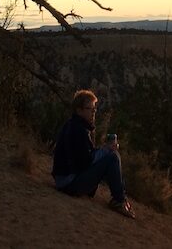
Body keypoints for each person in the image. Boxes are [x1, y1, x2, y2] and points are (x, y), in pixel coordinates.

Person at [52, 89, 136, 219]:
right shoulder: (78, 129)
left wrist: (103, 151)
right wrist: (106, 150)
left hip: (64, 180)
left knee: (109, 155)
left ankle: (120, 198)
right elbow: (86, 161)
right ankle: (119, 200)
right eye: (90, 109)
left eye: (94, 109)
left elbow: (84, 156)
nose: (93, 112)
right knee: (112, 157)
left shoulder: (75, 125)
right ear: (79, 110)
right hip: (69, 183)